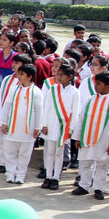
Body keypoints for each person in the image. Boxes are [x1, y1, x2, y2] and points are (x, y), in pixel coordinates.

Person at [71, 70, 109, 200]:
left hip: (103, 140)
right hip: (86, 138)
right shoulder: (89, 100)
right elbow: (81, 119)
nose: (96, 85)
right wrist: (77, 137)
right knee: (85, 163)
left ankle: (98, 188)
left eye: (99, 83)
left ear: (107, 86)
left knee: (102, 165)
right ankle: (84, 185)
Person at [0, 64, 43, 184]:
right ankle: (10, 174)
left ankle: (20, 175)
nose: (18, 76)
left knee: (24, 153)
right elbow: (6, 106)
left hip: (27, 129)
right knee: (10, 151)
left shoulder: (37, 92)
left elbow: (39, 110)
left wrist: (38, 127)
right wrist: (3, 122)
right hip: (12, 126)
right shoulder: (14, 90)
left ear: (30, 77)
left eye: (22, 74)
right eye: (19, 73)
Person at [40, 62, 79, 191]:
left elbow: (75, 112)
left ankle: (56, 177)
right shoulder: (53, 89)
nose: (59, 77)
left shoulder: (75, 92)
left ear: (70, 76)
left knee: (59, 152)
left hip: (64, 125)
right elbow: (47, 108)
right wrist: (44, 124)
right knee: (50, 151)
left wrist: (71, 129)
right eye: (58, 74)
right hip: (51, 123)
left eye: (62, 75)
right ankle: (48, 175)